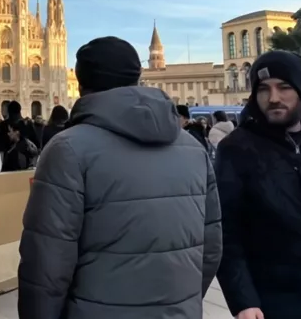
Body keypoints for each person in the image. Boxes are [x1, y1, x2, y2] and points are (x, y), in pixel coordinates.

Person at [18, 36, 222, 319]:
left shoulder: (67, 149)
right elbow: (211, 248)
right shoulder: (193, 149)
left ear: (80, 85)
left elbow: (46, 264)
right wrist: (180, 302)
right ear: (138, 77)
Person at [215, 51, 301, 319]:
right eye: (264, 89)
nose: (274, 98)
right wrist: (243, 299)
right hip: (275, 302)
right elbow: (226, 232)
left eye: (284, 87)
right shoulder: (237, 149)